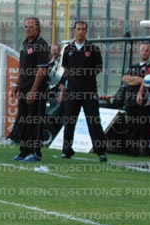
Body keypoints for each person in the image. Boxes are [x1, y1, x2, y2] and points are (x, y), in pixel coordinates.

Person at [57, 20, 108, 162]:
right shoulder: (68, 49)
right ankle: (66, 150)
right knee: (69, 121)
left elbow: (99, 68)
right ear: (74, 30)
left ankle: (101, 151)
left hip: (89, 91)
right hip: (72, 91)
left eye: (83, 29)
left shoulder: (93, 49)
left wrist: (86, 74)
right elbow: (66, 69)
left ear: (86, 31)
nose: (80, 31)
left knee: (93, 121)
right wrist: (63, 89)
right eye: (78, 29)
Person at [12, 17, 50, 162]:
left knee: (35, 121)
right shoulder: (25, 44)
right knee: (24, 120)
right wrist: (17, 85)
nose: (28, 29)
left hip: (36, 90)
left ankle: (35, 152)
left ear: (38, 28)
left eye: (31, 26)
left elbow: (41, 70)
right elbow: (23, 68)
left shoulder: (41, 44)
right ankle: (23, 151)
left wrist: (33, 91)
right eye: (26, 26)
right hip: (24, 87)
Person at [121, 43, 150, 156]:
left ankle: (145, 152)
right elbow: (125, 78)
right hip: (130, 101)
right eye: (142, 50)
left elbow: (147, 80)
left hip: (144, 102)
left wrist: (135, 80)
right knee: (131, 127)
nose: (144, 52)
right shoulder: (133, 66)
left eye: (147, 50)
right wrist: (140, 79)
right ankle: (132, 151)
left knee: (144, 128)